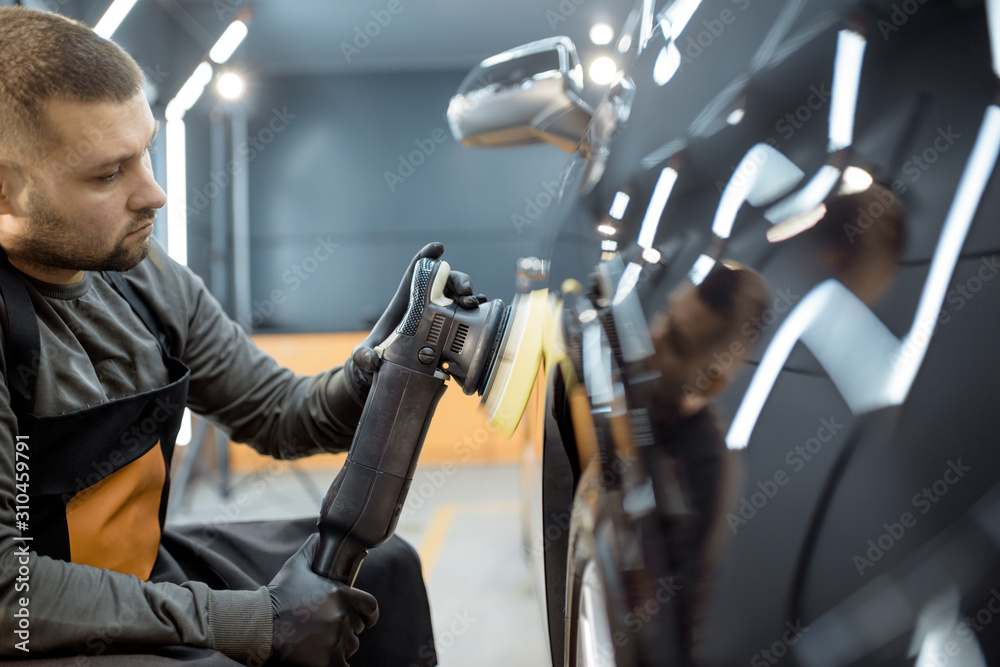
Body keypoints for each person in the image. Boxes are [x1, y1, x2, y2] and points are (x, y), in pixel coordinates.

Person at [0, 7, 481, 665]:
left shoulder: (140, 277)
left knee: (381, 570)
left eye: (145, 153)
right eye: (109, 174)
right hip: (32, 623)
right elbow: (9, 593)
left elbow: (284, 416)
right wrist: (252, 620)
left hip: (139, 571)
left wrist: (376, 369)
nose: (155, 193)